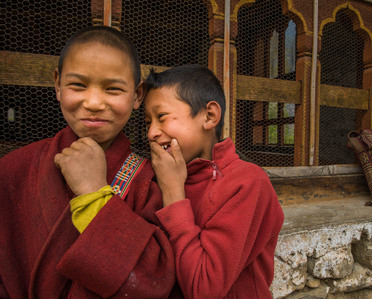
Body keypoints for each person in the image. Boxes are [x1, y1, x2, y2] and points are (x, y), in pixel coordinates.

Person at [0, 26, 175, 298]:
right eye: (78, 85)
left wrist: (94, 194)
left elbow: (154, 279)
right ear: (57, 85)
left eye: (113, 89)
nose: (94, 102)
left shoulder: (150, 180)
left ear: (137, 95)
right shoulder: (12, 169)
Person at [145, 64, 285, 298]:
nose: (151, 132)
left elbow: (204, 289)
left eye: (161, 117)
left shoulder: (245, 182)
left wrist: (173, 195)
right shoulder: (157, 177)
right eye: (148, 122)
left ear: (209, 116)